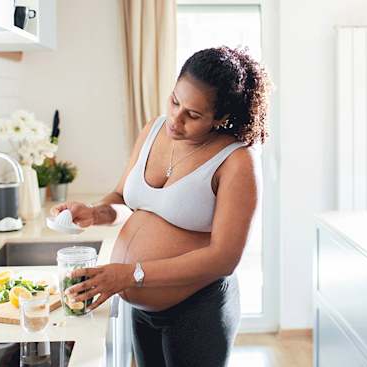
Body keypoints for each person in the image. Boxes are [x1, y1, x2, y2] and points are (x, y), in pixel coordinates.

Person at [50, 45, 273, 367]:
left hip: (197, 311)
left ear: (221, 118)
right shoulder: (153, 130)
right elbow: (123, 199)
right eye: (174, 101)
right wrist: (95, 211)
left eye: (193, 115)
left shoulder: (238, 160)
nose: (175, 119)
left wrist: (131, 274)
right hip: (141, 308)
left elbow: (224, 258)